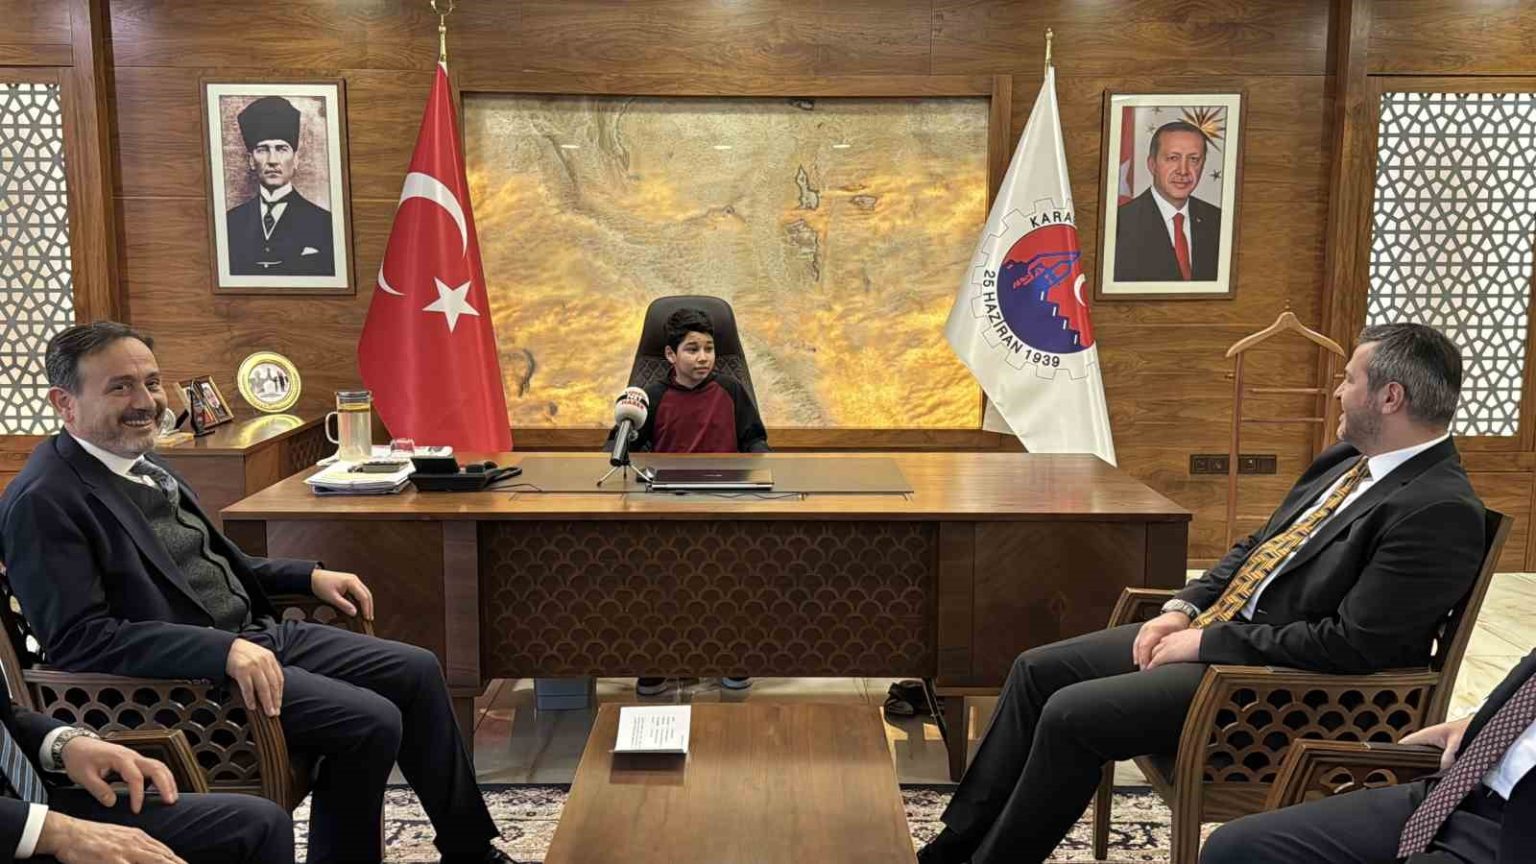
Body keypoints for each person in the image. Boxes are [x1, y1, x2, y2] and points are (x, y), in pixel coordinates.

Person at [918, 323, 1486, 864]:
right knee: (1036, 671)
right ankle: (954, 845)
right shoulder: (1346, 461)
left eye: (1349, 379)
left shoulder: (1437, 508)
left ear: (1389, 397)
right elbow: (1258, 546)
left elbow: (1352, 646)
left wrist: (1208, 643)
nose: (1338, 392)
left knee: (1071, 715)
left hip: (1281, 690)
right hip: (1225, 637)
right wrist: (1183, 607)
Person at [0, 322, 510, 864]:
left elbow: (215, 562)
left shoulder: (140, 462)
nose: (145, 402)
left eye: (151, 382)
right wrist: (222, 650)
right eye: (120, 387)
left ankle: (469, 850)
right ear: (65, 403)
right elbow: (81, 640)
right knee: (371, 721)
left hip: (252, 639)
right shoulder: (44, 500)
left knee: (417, 670)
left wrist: (305, 578)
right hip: (182, 683)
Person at [1202, 648, 1536, 864]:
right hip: (1468, 790)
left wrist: (1211, 641)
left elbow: (1360, 640)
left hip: (1516, 835)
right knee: (1237, 849)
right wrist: (1494, 722)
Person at [605, 306, 769, 696]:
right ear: (670, 354)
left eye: (709, 349)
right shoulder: (651, 397)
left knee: (728, 582)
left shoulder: (731, 390)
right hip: (665, 507)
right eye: (692, 349)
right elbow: (623, 447)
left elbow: (755, 441)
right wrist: (623, 442)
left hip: (725, 504)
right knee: (659, 583)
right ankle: (658, 658)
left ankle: (731, 654)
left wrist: (763, 470)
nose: (703, 357)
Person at [0, 680, 291, 864]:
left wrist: (65, 744)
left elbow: (8, 711)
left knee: (260, 824)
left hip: (32, 802)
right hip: (17, 829)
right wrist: (55, 832)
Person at [225, 95, 335, 277]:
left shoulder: (324, 223)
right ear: (251, 161)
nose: (273, 160)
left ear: (296, 159)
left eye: (281, 149)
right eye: (262, 150)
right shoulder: (229, 223)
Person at [1114, 120, 1221, 282]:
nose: (1183, 171)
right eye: (1173, 158)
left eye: (1193, 159)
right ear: (1152, 165)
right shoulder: (1119, 224)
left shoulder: (1219, 221)